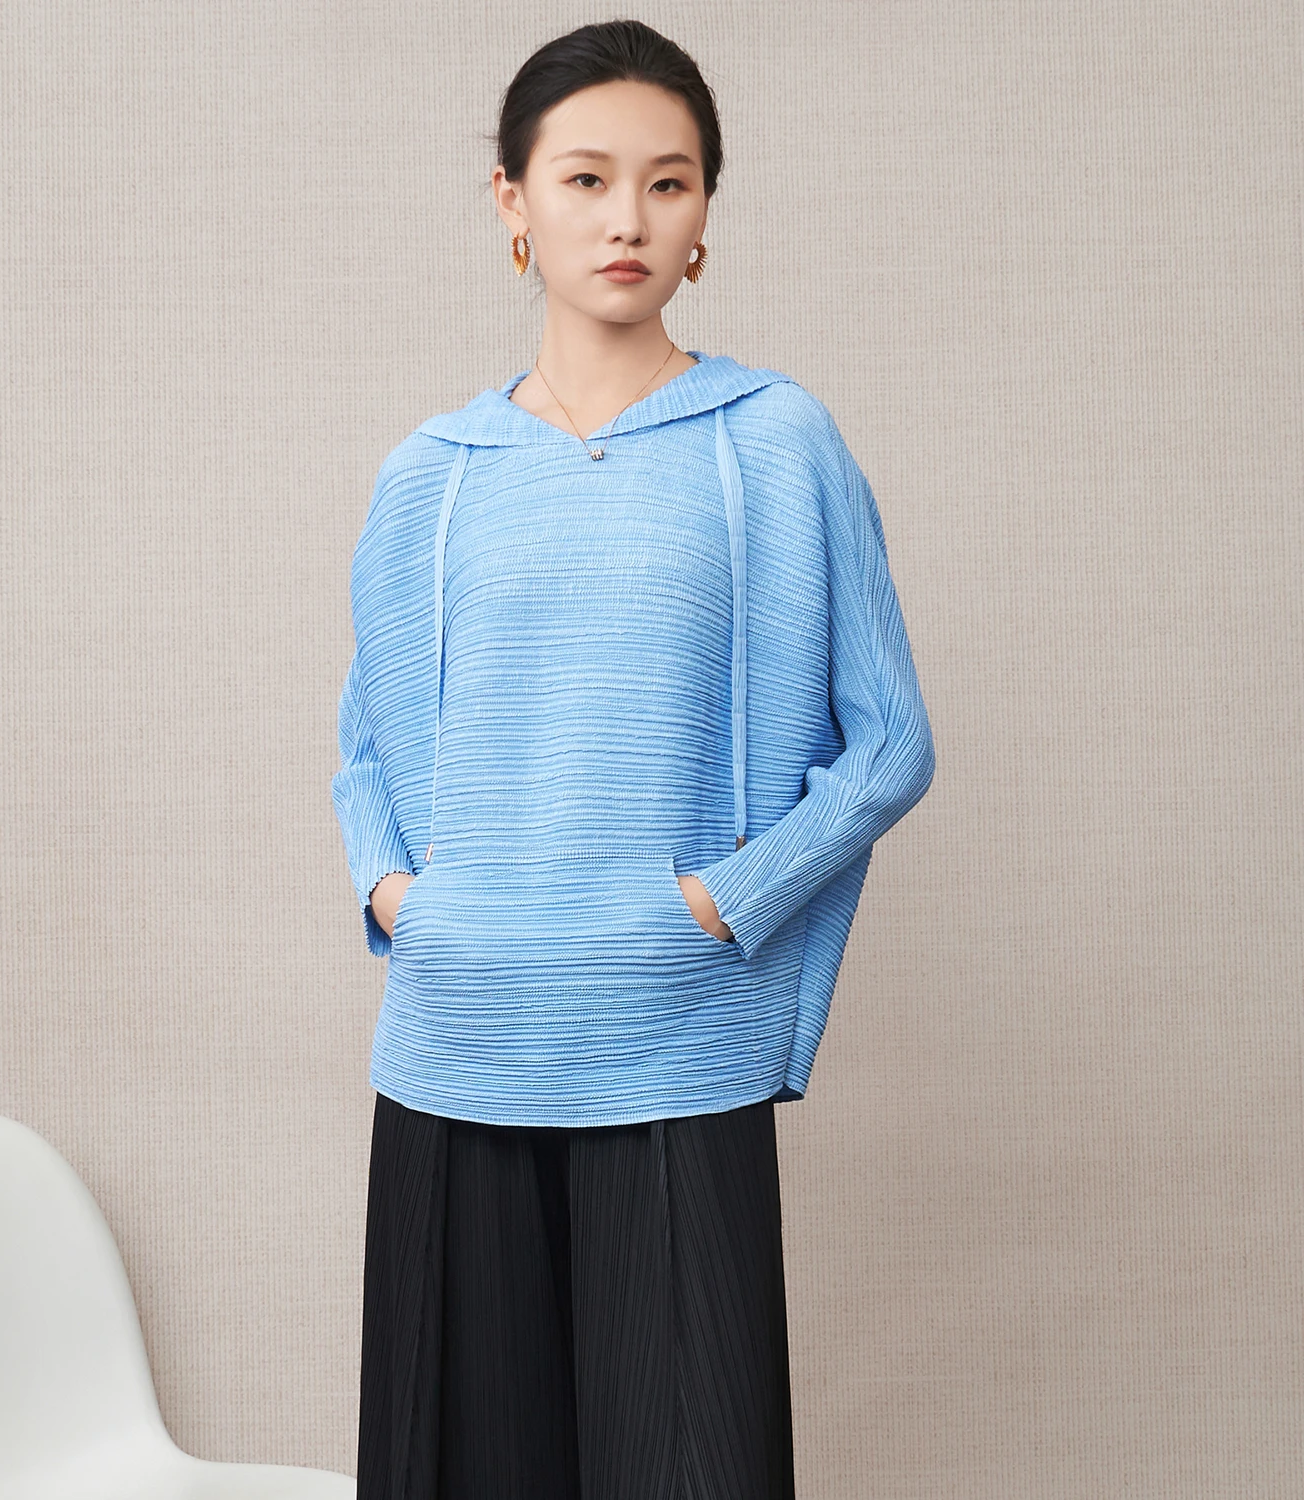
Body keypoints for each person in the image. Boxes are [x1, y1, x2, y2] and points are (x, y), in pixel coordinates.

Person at [331, 19, 936, 1499]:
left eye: (669, 183)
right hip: (458, 1051)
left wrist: (721, 906)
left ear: (705, 215)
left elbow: (890, 743)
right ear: (512, 203)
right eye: (587, 178)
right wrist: (404, 901)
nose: (628, 219)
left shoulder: (775, 443)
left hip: (675, 1043)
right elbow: (368, 750)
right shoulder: (433, 476)